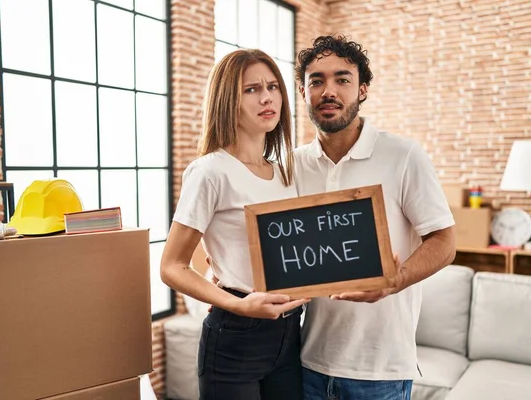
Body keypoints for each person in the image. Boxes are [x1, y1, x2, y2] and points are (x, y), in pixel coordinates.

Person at [294, 35, 456, 400]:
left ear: (363, 89)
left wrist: (393, 281)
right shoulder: (293, 164)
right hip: (305, 363)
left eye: (342, 79)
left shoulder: (403, 155)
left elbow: (445, 243)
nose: (328, 90)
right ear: (303, 93)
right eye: (316, 81)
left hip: (380, 371)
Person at [160, 49, 309, 400]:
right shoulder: (210, 171)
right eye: (252, 89)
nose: (267, 97)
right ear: (228, 99)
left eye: (273, 86)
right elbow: (171, 266)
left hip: (290, 332)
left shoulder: (286, 172)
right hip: (236, 336)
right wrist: (237, 302)